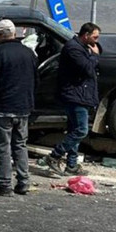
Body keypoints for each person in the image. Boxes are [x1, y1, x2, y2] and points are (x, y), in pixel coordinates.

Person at [0, 19, 38, 196]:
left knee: (3, 146)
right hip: (23, 107)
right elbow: (36, 80)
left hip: (2, 107)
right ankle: (23, 182)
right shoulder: (29, 53)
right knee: (20, 145)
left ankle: (4, 184)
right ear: (14, 33)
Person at [44, 22, 101, 177]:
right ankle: (54, 155)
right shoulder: (73, 49)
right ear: (86, 35)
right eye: (94, 37)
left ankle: (72, 164)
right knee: (81, 130)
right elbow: (88, 69)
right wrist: (95, 56)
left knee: (74, 130)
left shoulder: (82, 48)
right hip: (75, 96)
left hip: (80, 95)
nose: (96, 41)